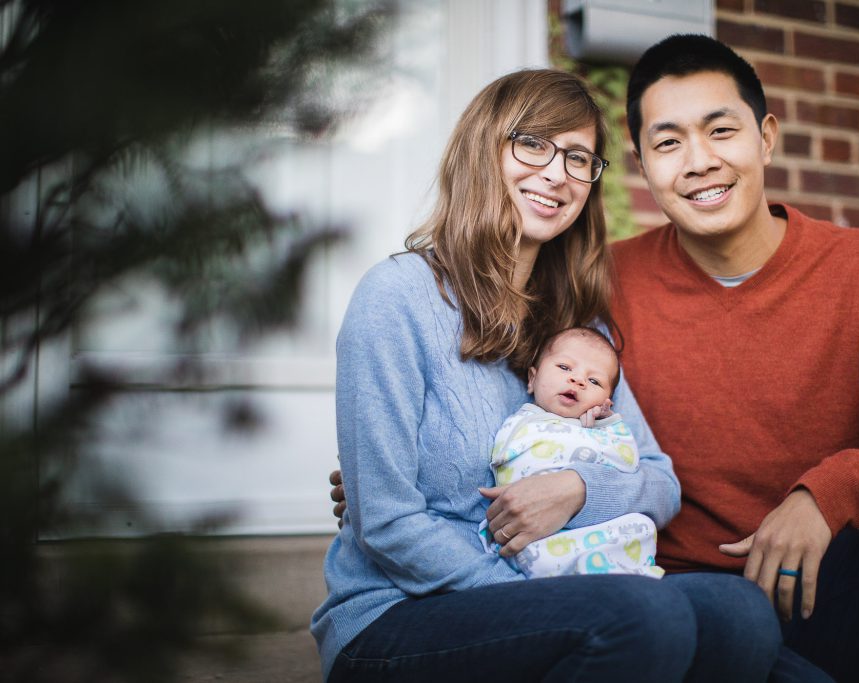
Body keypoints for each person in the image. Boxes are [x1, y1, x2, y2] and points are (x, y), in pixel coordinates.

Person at [313, 67, 782, 683]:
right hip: (398, 617)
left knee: (739, 611)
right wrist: (530, 588)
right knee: (642, 617)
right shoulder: (397, 298)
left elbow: (659, 482)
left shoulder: (578, 327)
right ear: (485, 149)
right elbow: (387, 524)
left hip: (558, 593)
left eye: (579, 158)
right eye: (533, 143)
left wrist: (580, 489)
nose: (558, 174)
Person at [611, 34, 859, 681]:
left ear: (766, 137)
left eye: (721, 130)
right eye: (668, 143)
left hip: (823, 585)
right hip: (689, 606)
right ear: (642, 162)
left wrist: (823, 496)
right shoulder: (608, 281)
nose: (698, 161)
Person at [480, 326, 663, 579]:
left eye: (594, 381)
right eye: (564, 368)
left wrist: (608, 427)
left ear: (606, 401)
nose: (577, 380)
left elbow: (629, 464)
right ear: (532, 379)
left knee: (641, 527)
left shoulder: (599, 431)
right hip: (536, 534)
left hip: (594, 529)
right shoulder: (523, 421)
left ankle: (619, 571)